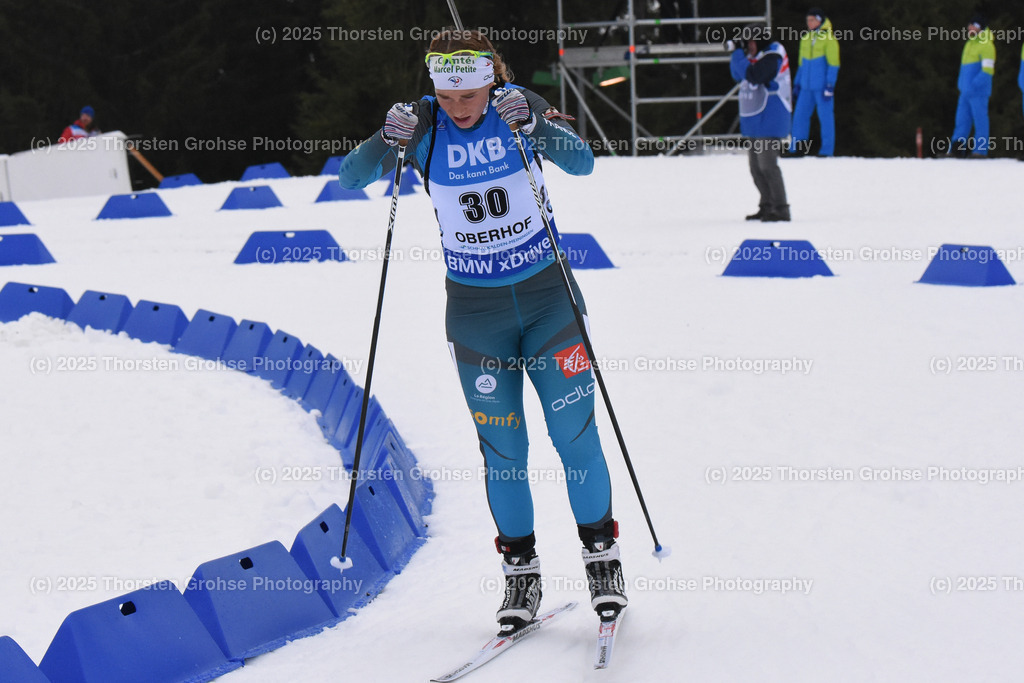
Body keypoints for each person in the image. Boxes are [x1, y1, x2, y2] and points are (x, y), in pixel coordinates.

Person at [339, 29, 627, 632]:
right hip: (476, 317)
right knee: (504, 454)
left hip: (550, 304)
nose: (460, 106)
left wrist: (539, 126)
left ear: (490, 77)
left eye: (469, 92)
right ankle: (521, 575)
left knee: (574, 438)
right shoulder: (424, 125)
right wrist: (382, 138)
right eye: (447, 95)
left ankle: (602, 558)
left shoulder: (514, 104)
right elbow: (350, 177)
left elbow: (584, 161)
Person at [729, 31, 793, 222]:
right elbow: (737, 75)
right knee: (755, 167)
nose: (749, 46)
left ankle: (781, 208)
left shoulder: (774, 53)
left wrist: (738, 55)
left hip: (771, 117)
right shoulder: (752, 57)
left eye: (751, 42)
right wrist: (738, 55)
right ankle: (767, 205)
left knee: (767, 165)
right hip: (755, 119)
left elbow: (755, 75)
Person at [789, 7, 840, 156]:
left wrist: (830, 84)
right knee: (799, 117)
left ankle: (827, 151)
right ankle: (798, 148)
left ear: (820, 20)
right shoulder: (806, 38)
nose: (809, 23)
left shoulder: (829, 39)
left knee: (826, 118)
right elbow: (801, 64)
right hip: (806, 86)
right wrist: (797, 83)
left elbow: (834, 64)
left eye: (812, 20)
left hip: (821, 86)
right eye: (808, 20)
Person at [951, 14, 995, 157]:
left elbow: (987, 71)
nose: (970, 28)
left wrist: (973, 85)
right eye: (970, 25)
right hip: (965, 91)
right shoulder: (969, 44)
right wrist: (962, 84)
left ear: (980, 28)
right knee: (961, 121)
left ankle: (980, 151)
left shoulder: (987, 45)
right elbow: (964, 68)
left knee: (980, 121)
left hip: (978, 92)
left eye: (974, 26)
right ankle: (956, 150)